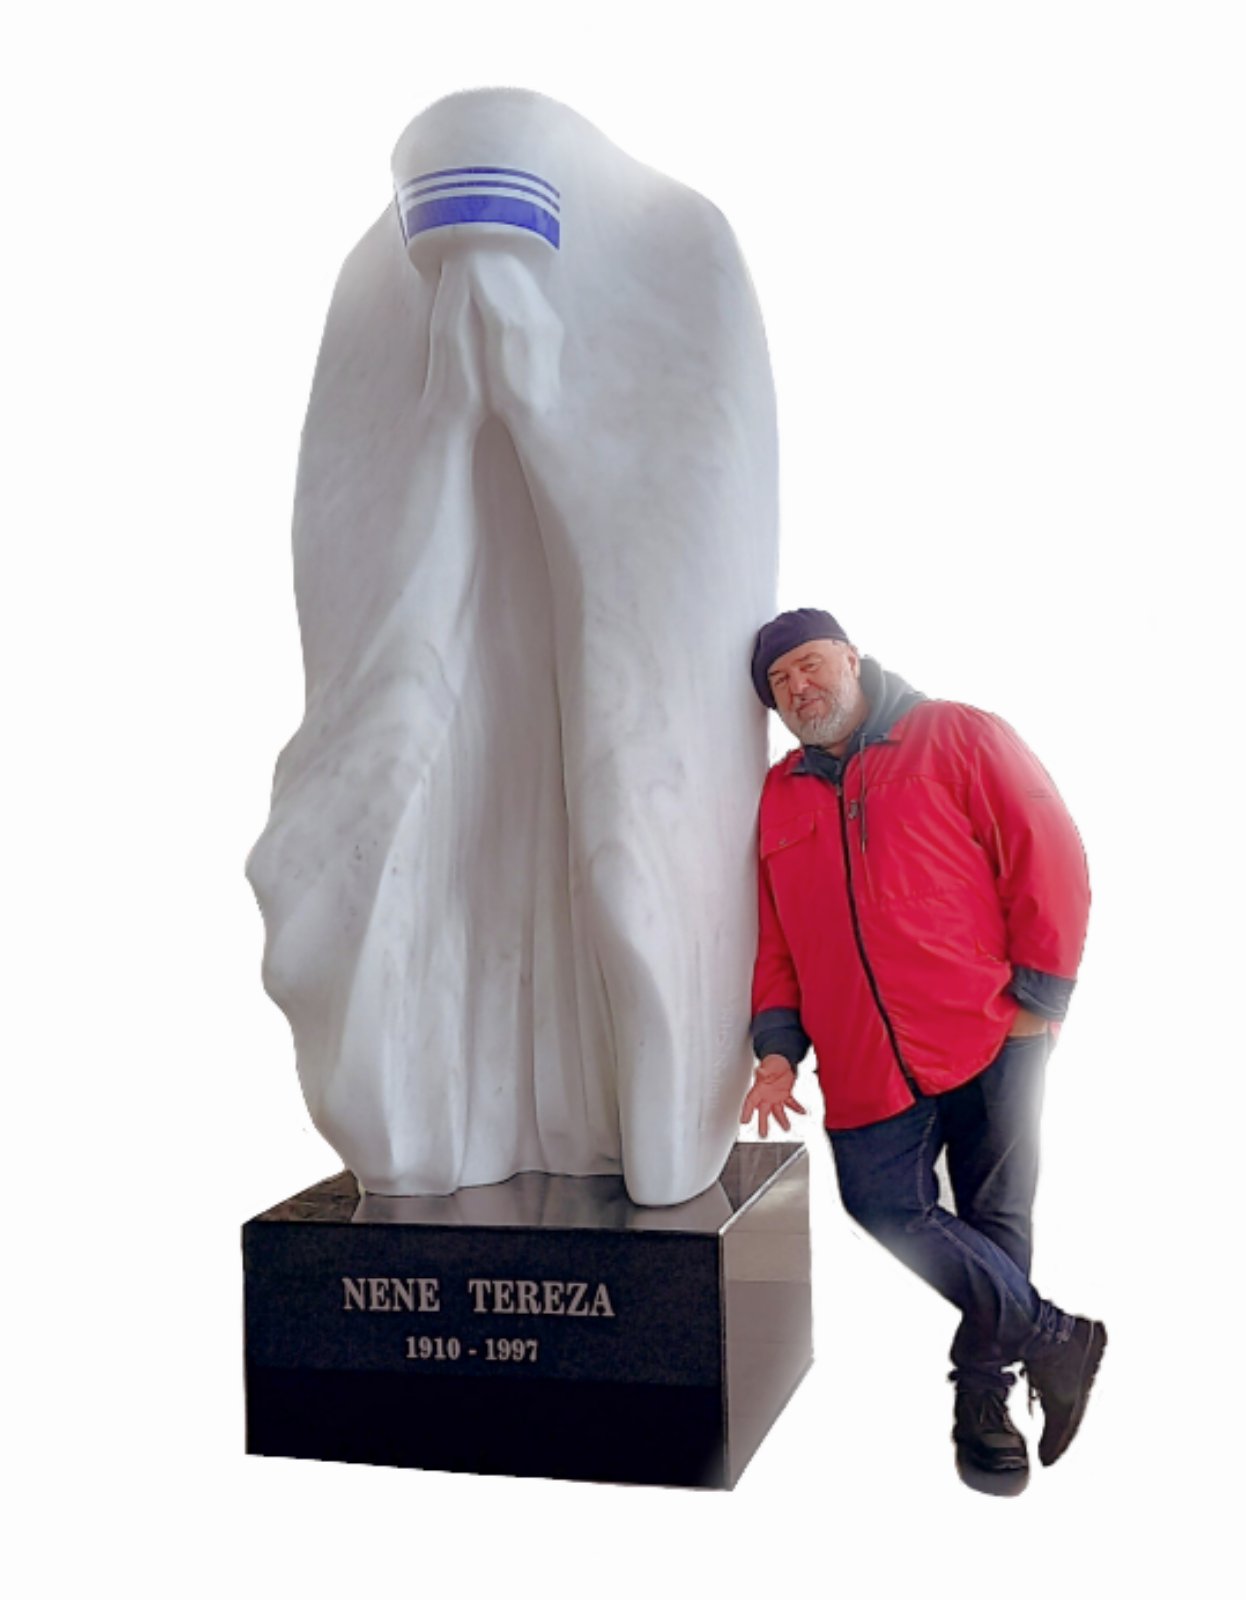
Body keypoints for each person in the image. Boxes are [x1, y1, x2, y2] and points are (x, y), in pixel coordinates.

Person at [740, 606, 1106, 1492]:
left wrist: (1039, 997)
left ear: (851, 657)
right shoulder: (778, 795)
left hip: (991, 1030)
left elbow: (1048, 849)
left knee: (995, 1219)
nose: (799, 687)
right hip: (864, 1060)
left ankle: (984, 1403)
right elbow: (776, 937)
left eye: (810, 664)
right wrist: (778, 1048)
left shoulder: (955, 733)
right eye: (780, 683)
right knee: (881, 1205)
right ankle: (1056, 1339)